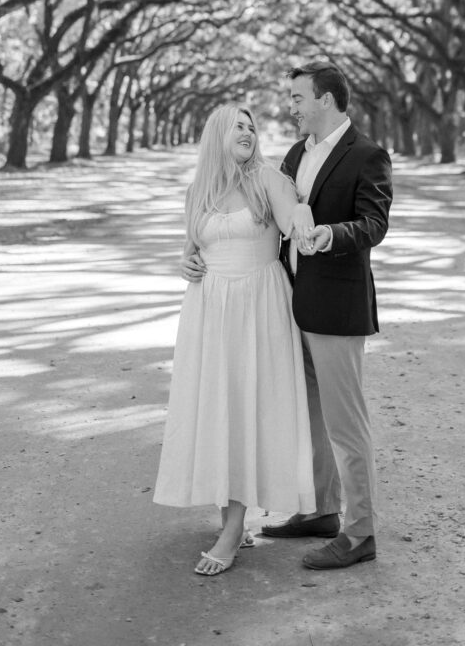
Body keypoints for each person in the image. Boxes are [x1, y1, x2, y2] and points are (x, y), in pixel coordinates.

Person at [153, 103, 317, 576]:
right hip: (209, 311)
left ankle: (231, 529)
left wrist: (304, 215)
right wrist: (184, 263)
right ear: (217, 135)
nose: (248, 132)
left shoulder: (267, 180)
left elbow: (294, 226)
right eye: (238, 126)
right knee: (220, 411)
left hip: (259, 308)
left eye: (251, 127)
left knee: (248, 410)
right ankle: (233, 521)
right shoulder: (198, 191)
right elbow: (191, 250)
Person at [260, 61, 393, 570]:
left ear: (326, 99)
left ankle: (360, 533)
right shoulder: (297, 154)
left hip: (338, 307)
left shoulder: (367, 154)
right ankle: (320, 511)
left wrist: (332, 235)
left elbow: (374, 224)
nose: (290, 106)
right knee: (311, 415)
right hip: (297, 301)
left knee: (345, 424)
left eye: (297, 97)